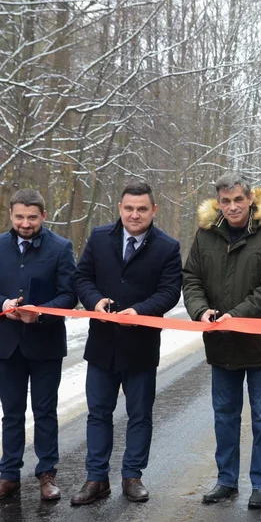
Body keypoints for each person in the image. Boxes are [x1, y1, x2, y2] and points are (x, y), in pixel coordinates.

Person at [182, 172, 261, 510]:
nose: (232, 207)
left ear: (250, 200)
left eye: (238, 200)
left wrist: (238, 315)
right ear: (219, 202)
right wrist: (200, 311)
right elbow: (191, 278)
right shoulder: (205, 237)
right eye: (225, 201)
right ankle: (226, 480)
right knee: (225, 415)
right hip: (221, 344)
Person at [70, 182, 182, 505]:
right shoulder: (99, 237)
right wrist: (94, 301)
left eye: (142, 209)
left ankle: (132, 476)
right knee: (98, 414)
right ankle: (96, 478)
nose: (135, 214)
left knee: (140, 414)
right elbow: (82, 278)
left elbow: (170, 291)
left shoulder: (167, 247)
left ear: (153, 211)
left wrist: (140, 310)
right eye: (129, 208)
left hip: (142, 345)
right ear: (120, 208)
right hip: (102, 344)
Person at [0, 189, 77, 503]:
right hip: (7, 345)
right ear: (11, 216)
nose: (25, 223)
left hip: (46, 344)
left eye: (32, 217)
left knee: (45, 412)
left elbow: (69, 295)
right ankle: (8, 476)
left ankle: (47, 474)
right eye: (19, 217)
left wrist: (40, 313)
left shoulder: (60, 248)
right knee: (11, 414)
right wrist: (1, 303)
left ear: (43, 216)